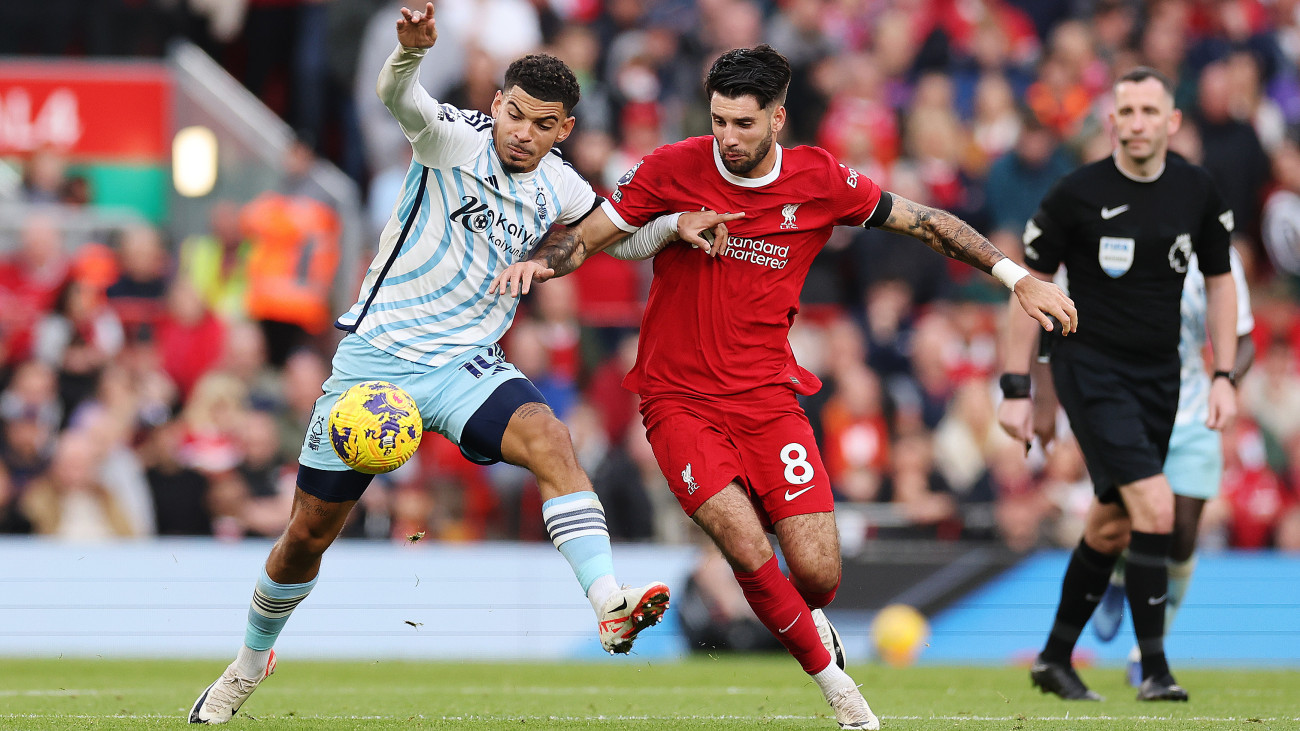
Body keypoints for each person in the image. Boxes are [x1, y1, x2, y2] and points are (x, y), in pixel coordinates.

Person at [492, 44, 1077, 731]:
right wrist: (539, 266)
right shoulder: (671, 169)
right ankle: (841, 691)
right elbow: (587, 238)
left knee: (819, 573)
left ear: (778, 119)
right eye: (718, 121)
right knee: (744, 542)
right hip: (678, 400)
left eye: (743, 124)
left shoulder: (819, 179)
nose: (728, 139)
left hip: (769, 398)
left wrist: (1019, 278)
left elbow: (927, 223)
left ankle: (810, 616)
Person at [189, 4, 686, 724]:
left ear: (563, 130)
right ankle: (248, 661)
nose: (524, 132)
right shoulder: (452, 139)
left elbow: (615, 239)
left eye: (542, 124)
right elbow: (399, 99)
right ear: (497, 103)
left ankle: (609, 604)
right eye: (515, 114)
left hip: (463, 368)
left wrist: (672, 228)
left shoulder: (563, 187)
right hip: (374, 365)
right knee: (305, 537)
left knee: (550, 435)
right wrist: (409, 54)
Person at [997, 67, 1239, 703]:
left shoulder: (1198, 190)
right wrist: (1017, 387)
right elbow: (1027, 287)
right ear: (1111, 121)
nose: (1136, 124)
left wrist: (1222, 372)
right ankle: (1155, 669)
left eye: (1148, 112)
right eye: (1125, 112)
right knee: (1156, 506)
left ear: (1171, 122)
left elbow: (1222, 281)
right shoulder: (1076, 193)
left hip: (1162, 376)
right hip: (1091, 368)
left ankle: (1053, 659)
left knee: (1110, 526)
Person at [1084, 245, 1255, 686]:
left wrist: (1227, 381)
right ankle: (1118, 574)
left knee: (1181, 535)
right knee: (1131, 523)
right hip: (1129, 411)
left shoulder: (1219, 255)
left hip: (1194, 412)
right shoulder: (1117, 242)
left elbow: (1243, 338)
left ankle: (1148, 649)